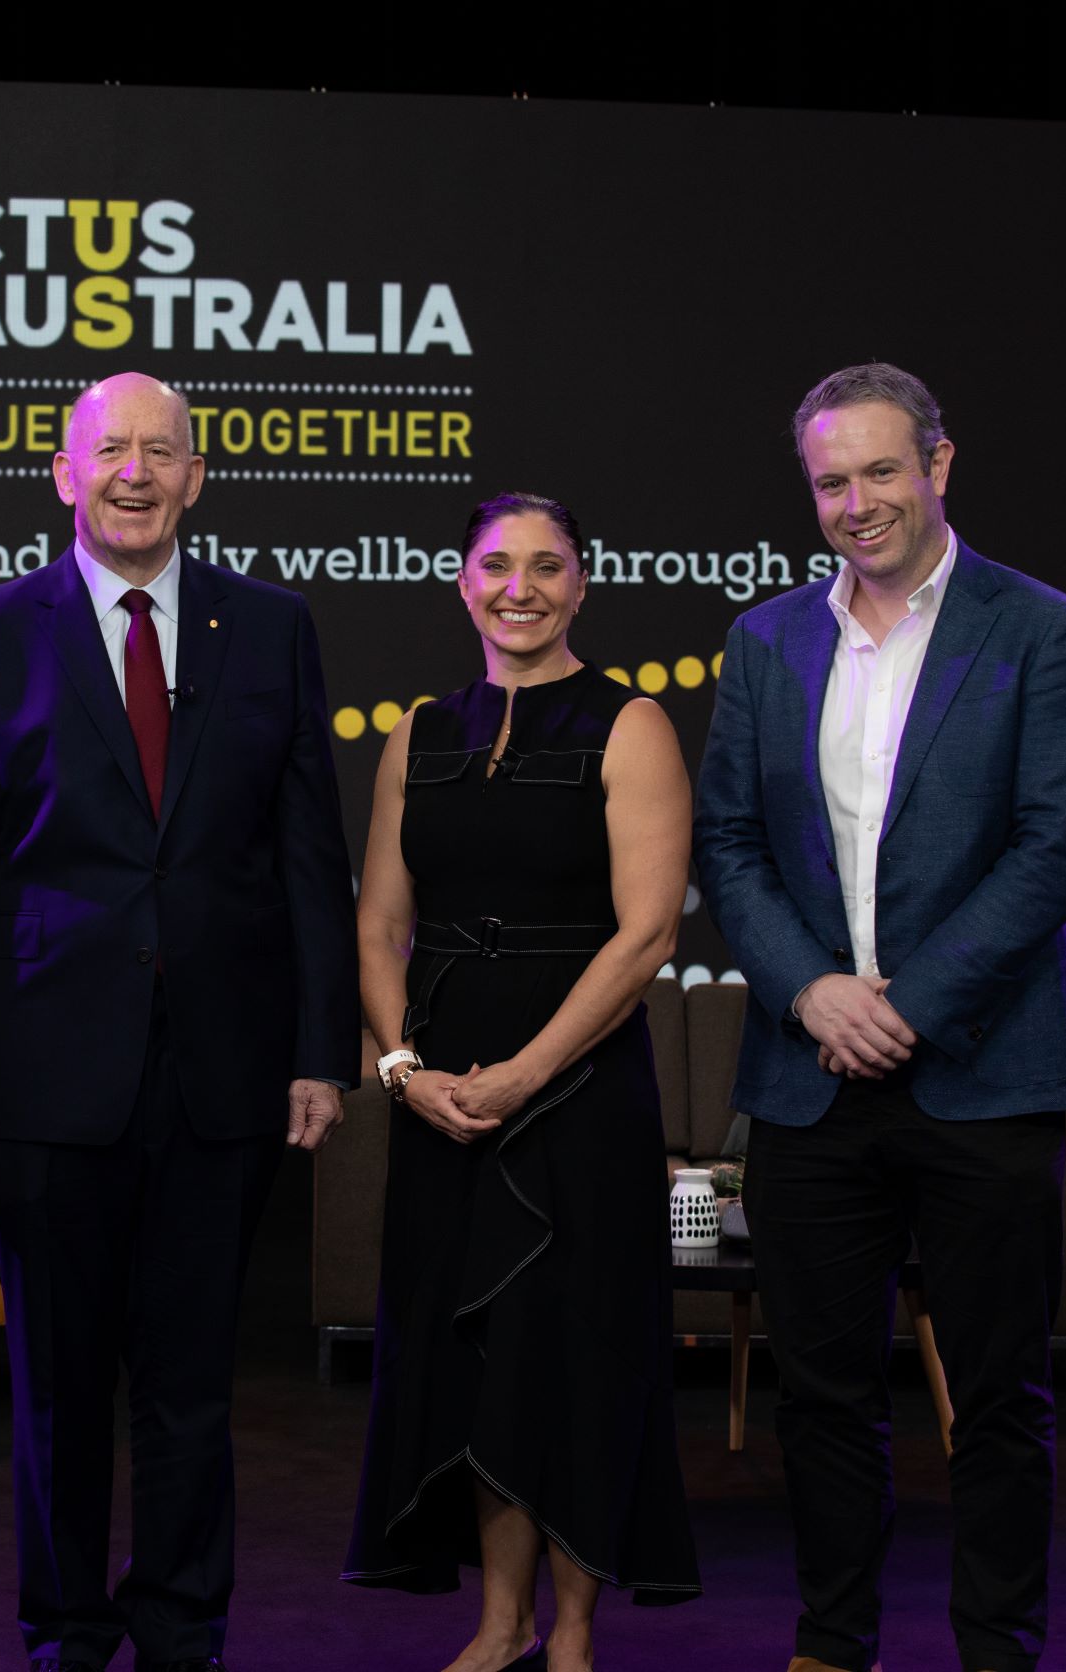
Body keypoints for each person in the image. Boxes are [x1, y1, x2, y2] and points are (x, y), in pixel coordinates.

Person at [0, 372, 360, 1672]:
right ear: (64, 471)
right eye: (113, 451)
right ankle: (65, 1631)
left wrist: (323, 1048)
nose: (137, 474)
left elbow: (305, 851)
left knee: (192, 1384)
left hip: (224, 1073)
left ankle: (182, 1631)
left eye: (163, 452)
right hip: (44, 1076)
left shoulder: (266, 627)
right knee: (59, 1386)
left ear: (198, 476)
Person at [693, 363, 1066, 1672]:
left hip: (987, 1075)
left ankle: (997, 1648)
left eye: (882, 470)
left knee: (996, 1400)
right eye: (832, 480)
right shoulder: (767, 641)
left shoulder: (1041, 631)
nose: (857, 501)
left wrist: (909, 1009)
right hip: (811, 1079)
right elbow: (729, 843)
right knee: (822, 1397)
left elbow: (1057, 851)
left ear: (940, 464)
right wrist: (813, 991)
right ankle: (835, 1643)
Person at [342, 492, 702, 1672]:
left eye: (548, 567)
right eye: (497, 565)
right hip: (439, 1097)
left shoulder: (629, 721)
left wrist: (527, 1076)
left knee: (579, 1358)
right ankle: (499, 1627)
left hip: (580, 1097)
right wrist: (407, 1069)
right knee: (477, 1359)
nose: (521, 587)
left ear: (582, 585)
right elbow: (381, 922)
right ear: (461, 581)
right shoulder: (418, 734)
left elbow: (646, 934)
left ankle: (576, 1638)